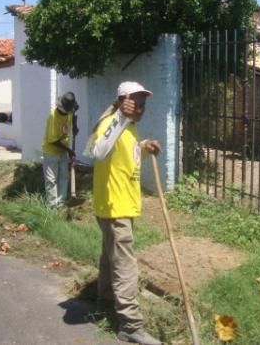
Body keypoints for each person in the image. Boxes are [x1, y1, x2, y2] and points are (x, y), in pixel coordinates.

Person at [87, 81, 162, 345]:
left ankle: (103, 303)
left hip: (120, 205)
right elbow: (99, 152)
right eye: (134, 102)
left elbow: (122, 154)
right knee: (126, 265)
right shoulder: (111, 122)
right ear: (120, 101)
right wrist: (120, 115)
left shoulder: (129, 128)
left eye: (143, 104)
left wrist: (144, 147)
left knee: (110, 257)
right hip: (114, 207)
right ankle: (130, 325)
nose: (139, 108)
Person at [41, 92, 78, 208]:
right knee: (51, 180)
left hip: (63, 151)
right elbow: (53, 140)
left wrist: (75, 126)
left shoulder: (70, 110)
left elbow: (74, 113)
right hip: (51, 152)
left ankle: (61, 203)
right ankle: (52, 206)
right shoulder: (53, 116)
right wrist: (69, 151)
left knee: (64, 178)